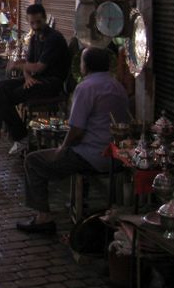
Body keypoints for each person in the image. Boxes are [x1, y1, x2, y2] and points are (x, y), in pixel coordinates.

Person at [17, 47, 129, 233]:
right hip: (116, 155)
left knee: (33, 161)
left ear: (85, 66)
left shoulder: (86, 87)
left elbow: (76, 130)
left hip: (92, 156)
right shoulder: (117, 86)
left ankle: (43, 217)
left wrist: (62, 148)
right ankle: (79, 202)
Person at [0, 4, 70, 155]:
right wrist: (26, 76)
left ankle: (18, 136)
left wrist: (20, 67)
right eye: (32, 23)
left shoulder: (54, 38)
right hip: (35, 79)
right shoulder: (34, 38)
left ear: (45, 19)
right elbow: (29, 65)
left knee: (4, 98)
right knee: (1, 87)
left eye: (38, 22)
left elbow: (38, 67)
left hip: (51, 83)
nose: (35, 26)